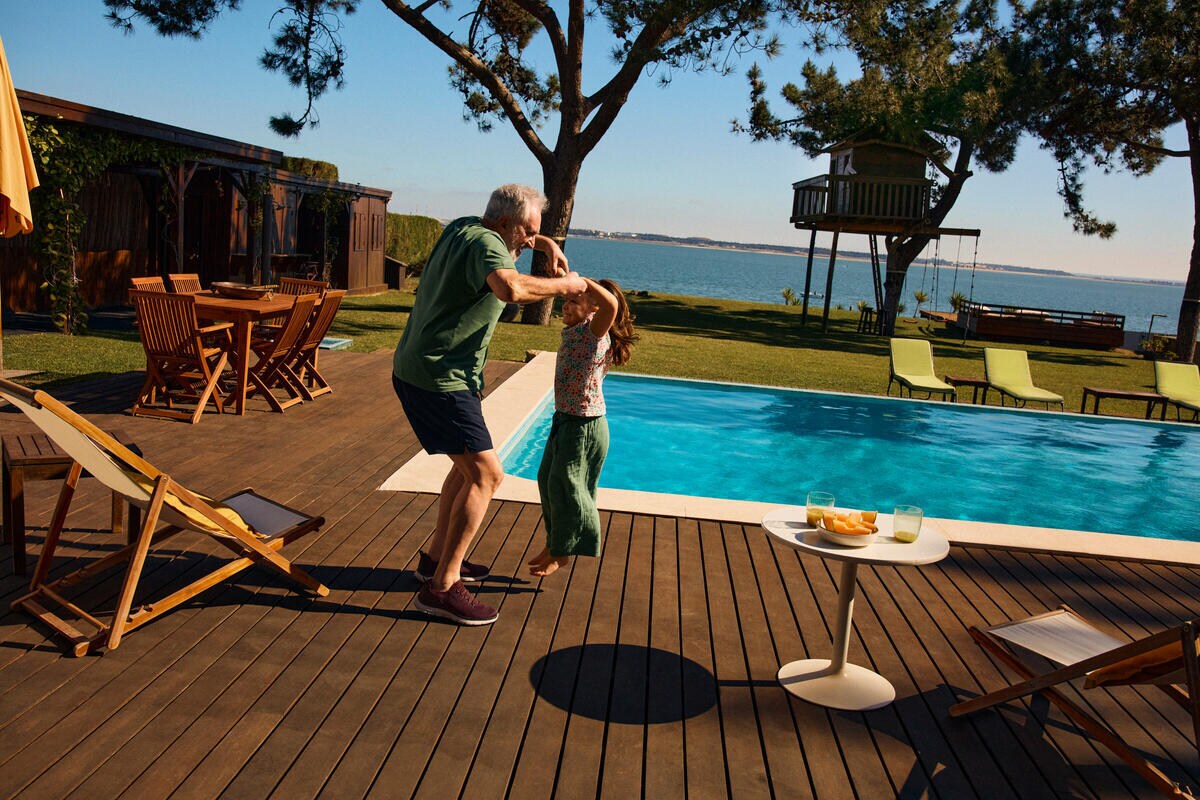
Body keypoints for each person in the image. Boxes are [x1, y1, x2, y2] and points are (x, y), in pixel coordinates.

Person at [393, 184, 586, 625]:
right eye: (527, 232)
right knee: (486, 475)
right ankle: (441, 587)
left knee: (464, 470)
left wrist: (547, 241)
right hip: (440, 378)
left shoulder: (466, 226)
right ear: (504, 223)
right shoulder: (489, 245)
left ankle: (436, 560)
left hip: (428, 369)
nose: (527, 241)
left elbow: (514, 241)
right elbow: (510, 288)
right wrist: (566, 285)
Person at [527, 277, 637, 578]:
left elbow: (611, 305)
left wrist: (583, 282)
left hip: (585, 426)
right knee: (546, 480)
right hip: (565, 419)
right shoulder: (574, 331)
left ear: (593, 309)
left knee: (569, 488)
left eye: (574, 301)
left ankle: (563, 551)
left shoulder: (594, 332)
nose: (566, 304)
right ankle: (555, 543)